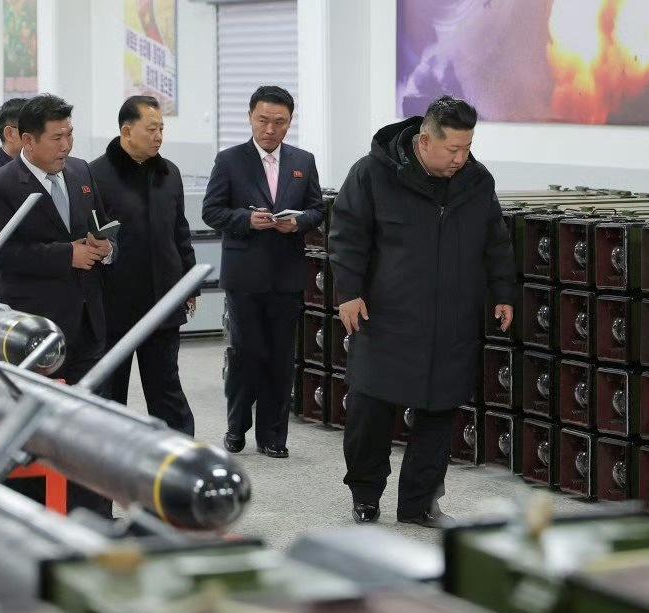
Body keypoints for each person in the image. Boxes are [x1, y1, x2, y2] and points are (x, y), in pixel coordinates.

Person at [328, 95, 516, 527]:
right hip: (384, 318)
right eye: (453, 149)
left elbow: (496, 242)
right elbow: (347, 236)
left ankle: (419, 503)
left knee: (439, 414)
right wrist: (348, 292)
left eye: (467, 148)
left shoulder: (476, 181)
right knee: (370, 413)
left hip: (452, 321)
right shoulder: (372, 174)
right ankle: (365, 495)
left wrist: (503, 293)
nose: (461, 158)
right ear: (424, 140)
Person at [0, 93, 114, 515]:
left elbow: (103, 226)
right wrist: (66, 255)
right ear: (27, 141)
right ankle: (35, 514)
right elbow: (0, 253)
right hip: (34, 331)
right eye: (57, 138)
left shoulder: (81, 171)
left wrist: (107, 248)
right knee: (36, 424)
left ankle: (93, 514)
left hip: (88, 320)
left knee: (92, 425)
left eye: (70, 134)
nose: (66, 146)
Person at [202, 85, 324, 458]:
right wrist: (246, 219)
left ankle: (273, 436)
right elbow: (211, 211)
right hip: (245, 276)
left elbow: (317, 209)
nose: (270, 129)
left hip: (287, 276)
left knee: (281, 358)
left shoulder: (303, 160)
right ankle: (237, 426)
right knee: (246, 354)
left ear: (290, 122)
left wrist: (299, 222)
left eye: (279, 122)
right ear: (251, 117)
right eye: (263, 120)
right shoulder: (230, 160)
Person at [89, 95, 197, 435]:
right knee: (110, 391)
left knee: (166, 387)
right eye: (151, 129)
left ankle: (179, 453)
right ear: (126, 131)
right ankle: (109, 458)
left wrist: (190, 284)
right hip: (114, 302)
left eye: (161, 128)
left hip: (163, 299)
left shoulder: (169, 173)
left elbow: (180, 233)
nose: (158, 136)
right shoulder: (95, 175)